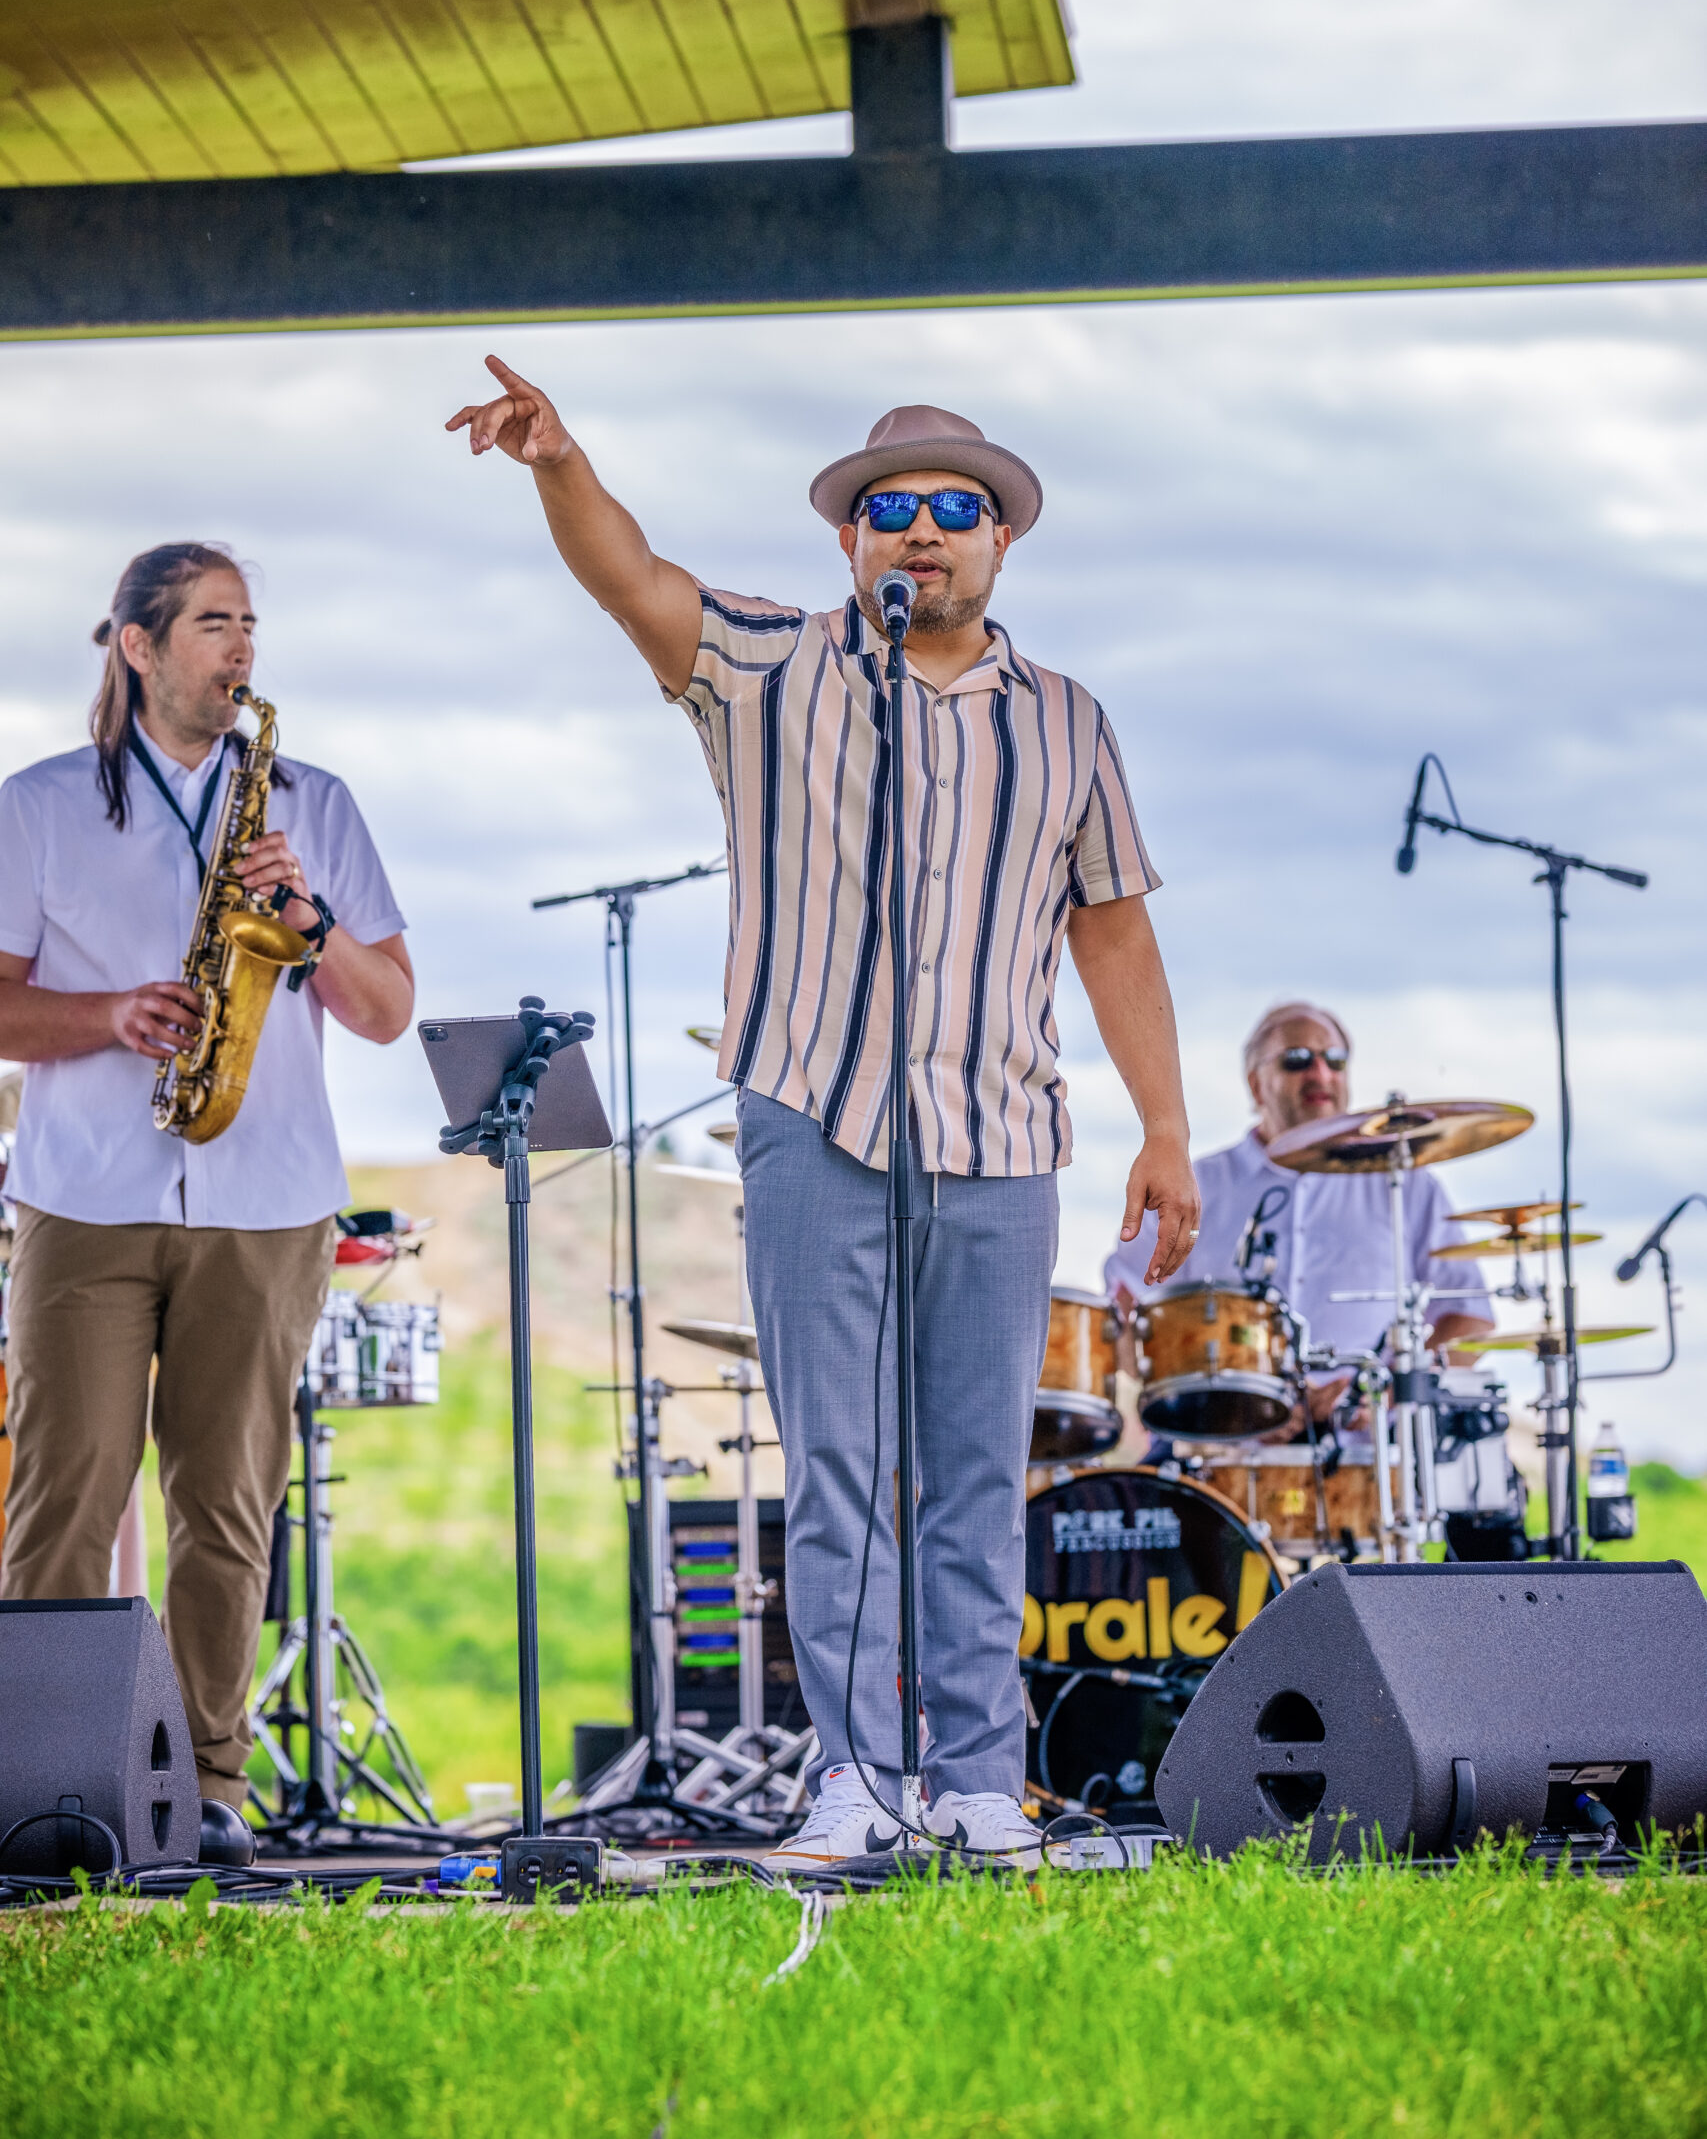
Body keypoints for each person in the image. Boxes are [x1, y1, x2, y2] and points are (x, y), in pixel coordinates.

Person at [451, 355, 1200, 1862]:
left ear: (1001, 542)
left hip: (998, 1137)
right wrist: (555, 462)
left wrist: (1165, 1130)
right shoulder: (770, 665)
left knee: (979, 1475)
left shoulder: (1067, 719)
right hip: (811, 1110)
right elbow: (636, 582)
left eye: (954, 509)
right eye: (889, 510)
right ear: (847, 543)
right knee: (840, 1471)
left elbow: (1108, 928)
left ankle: (981, 1783)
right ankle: (857, 1781)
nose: (920, 531)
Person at [0, 544, 413, 1863]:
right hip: (85, 1197)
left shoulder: (315, 801)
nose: (242, 651)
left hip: (268, 1195)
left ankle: (207, 1794)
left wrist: (309, 913)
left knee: (228, 1508)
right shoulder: (40, 805)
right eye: (213, 626)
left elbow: (387, 1009)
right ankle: (51, 1793)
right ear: (136, 645)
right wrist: (109, 1016)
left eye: (250, 625)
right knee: (64, 1497)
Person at [1104, 1001, 1490, 1404]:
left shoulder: (1405, 1185)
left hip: (1370, 1444)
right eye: (1297, 1060)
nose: (1320, 1073)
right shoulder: (1195, 1184)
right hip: (1222, 1450)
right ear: (1256, 1085)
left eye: (1335, 1060)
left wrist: (1388, 1394)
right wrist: (1216, 1405)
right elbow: (1125, 1310)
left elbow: (1469, 1316)